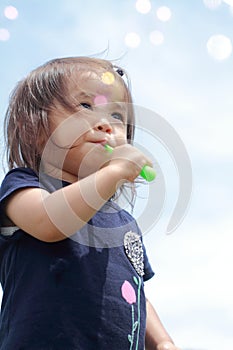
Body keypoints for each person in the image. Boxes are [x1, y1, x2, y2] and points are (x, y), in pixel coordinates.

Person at [0, 57, 180, 350]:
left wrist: (162, 341)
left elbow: (134, 290)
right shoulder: (24, 185)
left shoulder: (124, 222)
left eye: (118, 117)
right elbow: (49, 222)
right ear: (33, 124)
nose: (106, 125)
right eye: (85, 106)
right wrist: (114, 172)